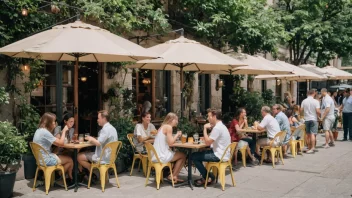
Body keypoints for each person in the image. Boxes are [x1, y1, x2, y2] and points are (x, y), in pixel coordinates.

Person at [192, 108, 231, 187]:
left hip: (218, 155)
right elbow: (211, 139)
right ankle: (209, 176)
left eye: (209, 116)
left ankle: (208, 177)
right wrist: (206, 137)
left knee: (193, 156)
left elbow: (207, 142)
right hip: (224, 154)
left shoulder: (217, 128)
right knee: (199, 153)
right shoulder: (221, 126)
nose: (207, 118)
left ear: (214, 116)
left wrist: (205, 129)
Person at [33, 112, 73, 181]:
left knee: (62, 154)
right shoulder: (45, 132)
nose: (55, 123)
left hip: (40, 160)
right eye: (54, 121)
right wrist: (64, 132)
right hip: (47, 160)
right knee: (70, 160)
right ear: (49, 122)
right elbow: (61, 143)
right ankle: (61, 176)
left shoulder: (39, 130)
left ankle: (63, 177)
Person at [77, 110, 118, 177]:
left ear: (104, 119)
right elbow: (103, 140)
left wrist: (90, 138)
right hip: (111, 157)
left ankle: (94, 172)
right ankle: (95, 173)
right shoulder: (112, 128)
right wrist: (95, 139)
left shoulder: (105, 129)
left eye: (98, 118)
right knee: (87, 152)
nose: (97, 120)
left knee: (79, 156)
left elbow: (98, 143)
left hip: (103, 157)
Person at [152, 112, 186, 183]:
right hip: (162, 156)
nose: (177, 121)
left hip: (155, 155)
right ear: (171, 119)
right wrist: (177, 135)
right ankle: (172, 176)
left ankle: (174, 176)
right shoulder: (169, 127)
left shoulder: (162, 127)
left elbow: (166, 141)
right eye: (176, 120)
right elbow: (170, 143)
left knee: (178, 154)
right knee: (183, 156)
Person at [301, 89, 321, 154]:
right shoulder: (316, 101)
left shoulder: (304, 101)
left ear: (308, 93)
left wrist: (303, 115)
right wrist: (319, 116)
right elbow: (318, 111)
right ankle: (312, 148)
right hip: (313, 119)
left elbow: (301, 110)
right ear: (314, 93)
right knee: (313, 134)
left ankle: (308, 147)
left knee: (308, 134)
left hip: (306, 119)